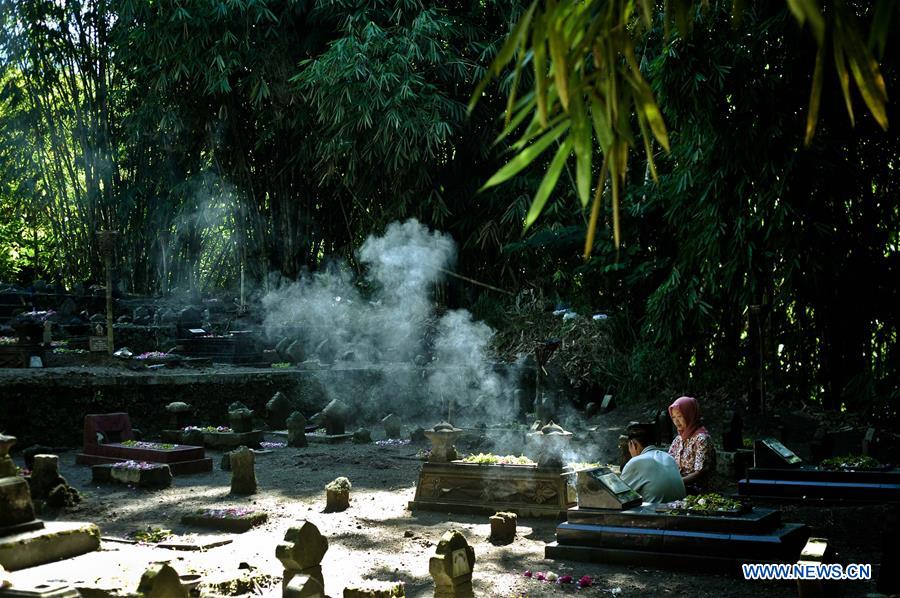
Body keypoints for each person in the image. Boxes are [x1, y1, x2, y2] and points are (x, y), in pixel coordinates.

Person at [620, 424, 686, 503]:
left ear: (634, 445)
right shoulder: (668, 457)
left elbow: (620, 495)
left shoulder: (636, 462)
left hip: (655, 513)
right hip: (679, 510)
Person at [668, 396, 716, 493]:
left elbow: (700, 473)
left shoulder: (702, 439)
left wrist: (676, 483)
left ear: (689, 415)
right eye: (673, 417)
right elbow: (668, 463)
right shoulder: (678, 440)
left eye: (680, 416)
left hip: (698, 492)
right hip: (679, 487)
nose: (676, 421)